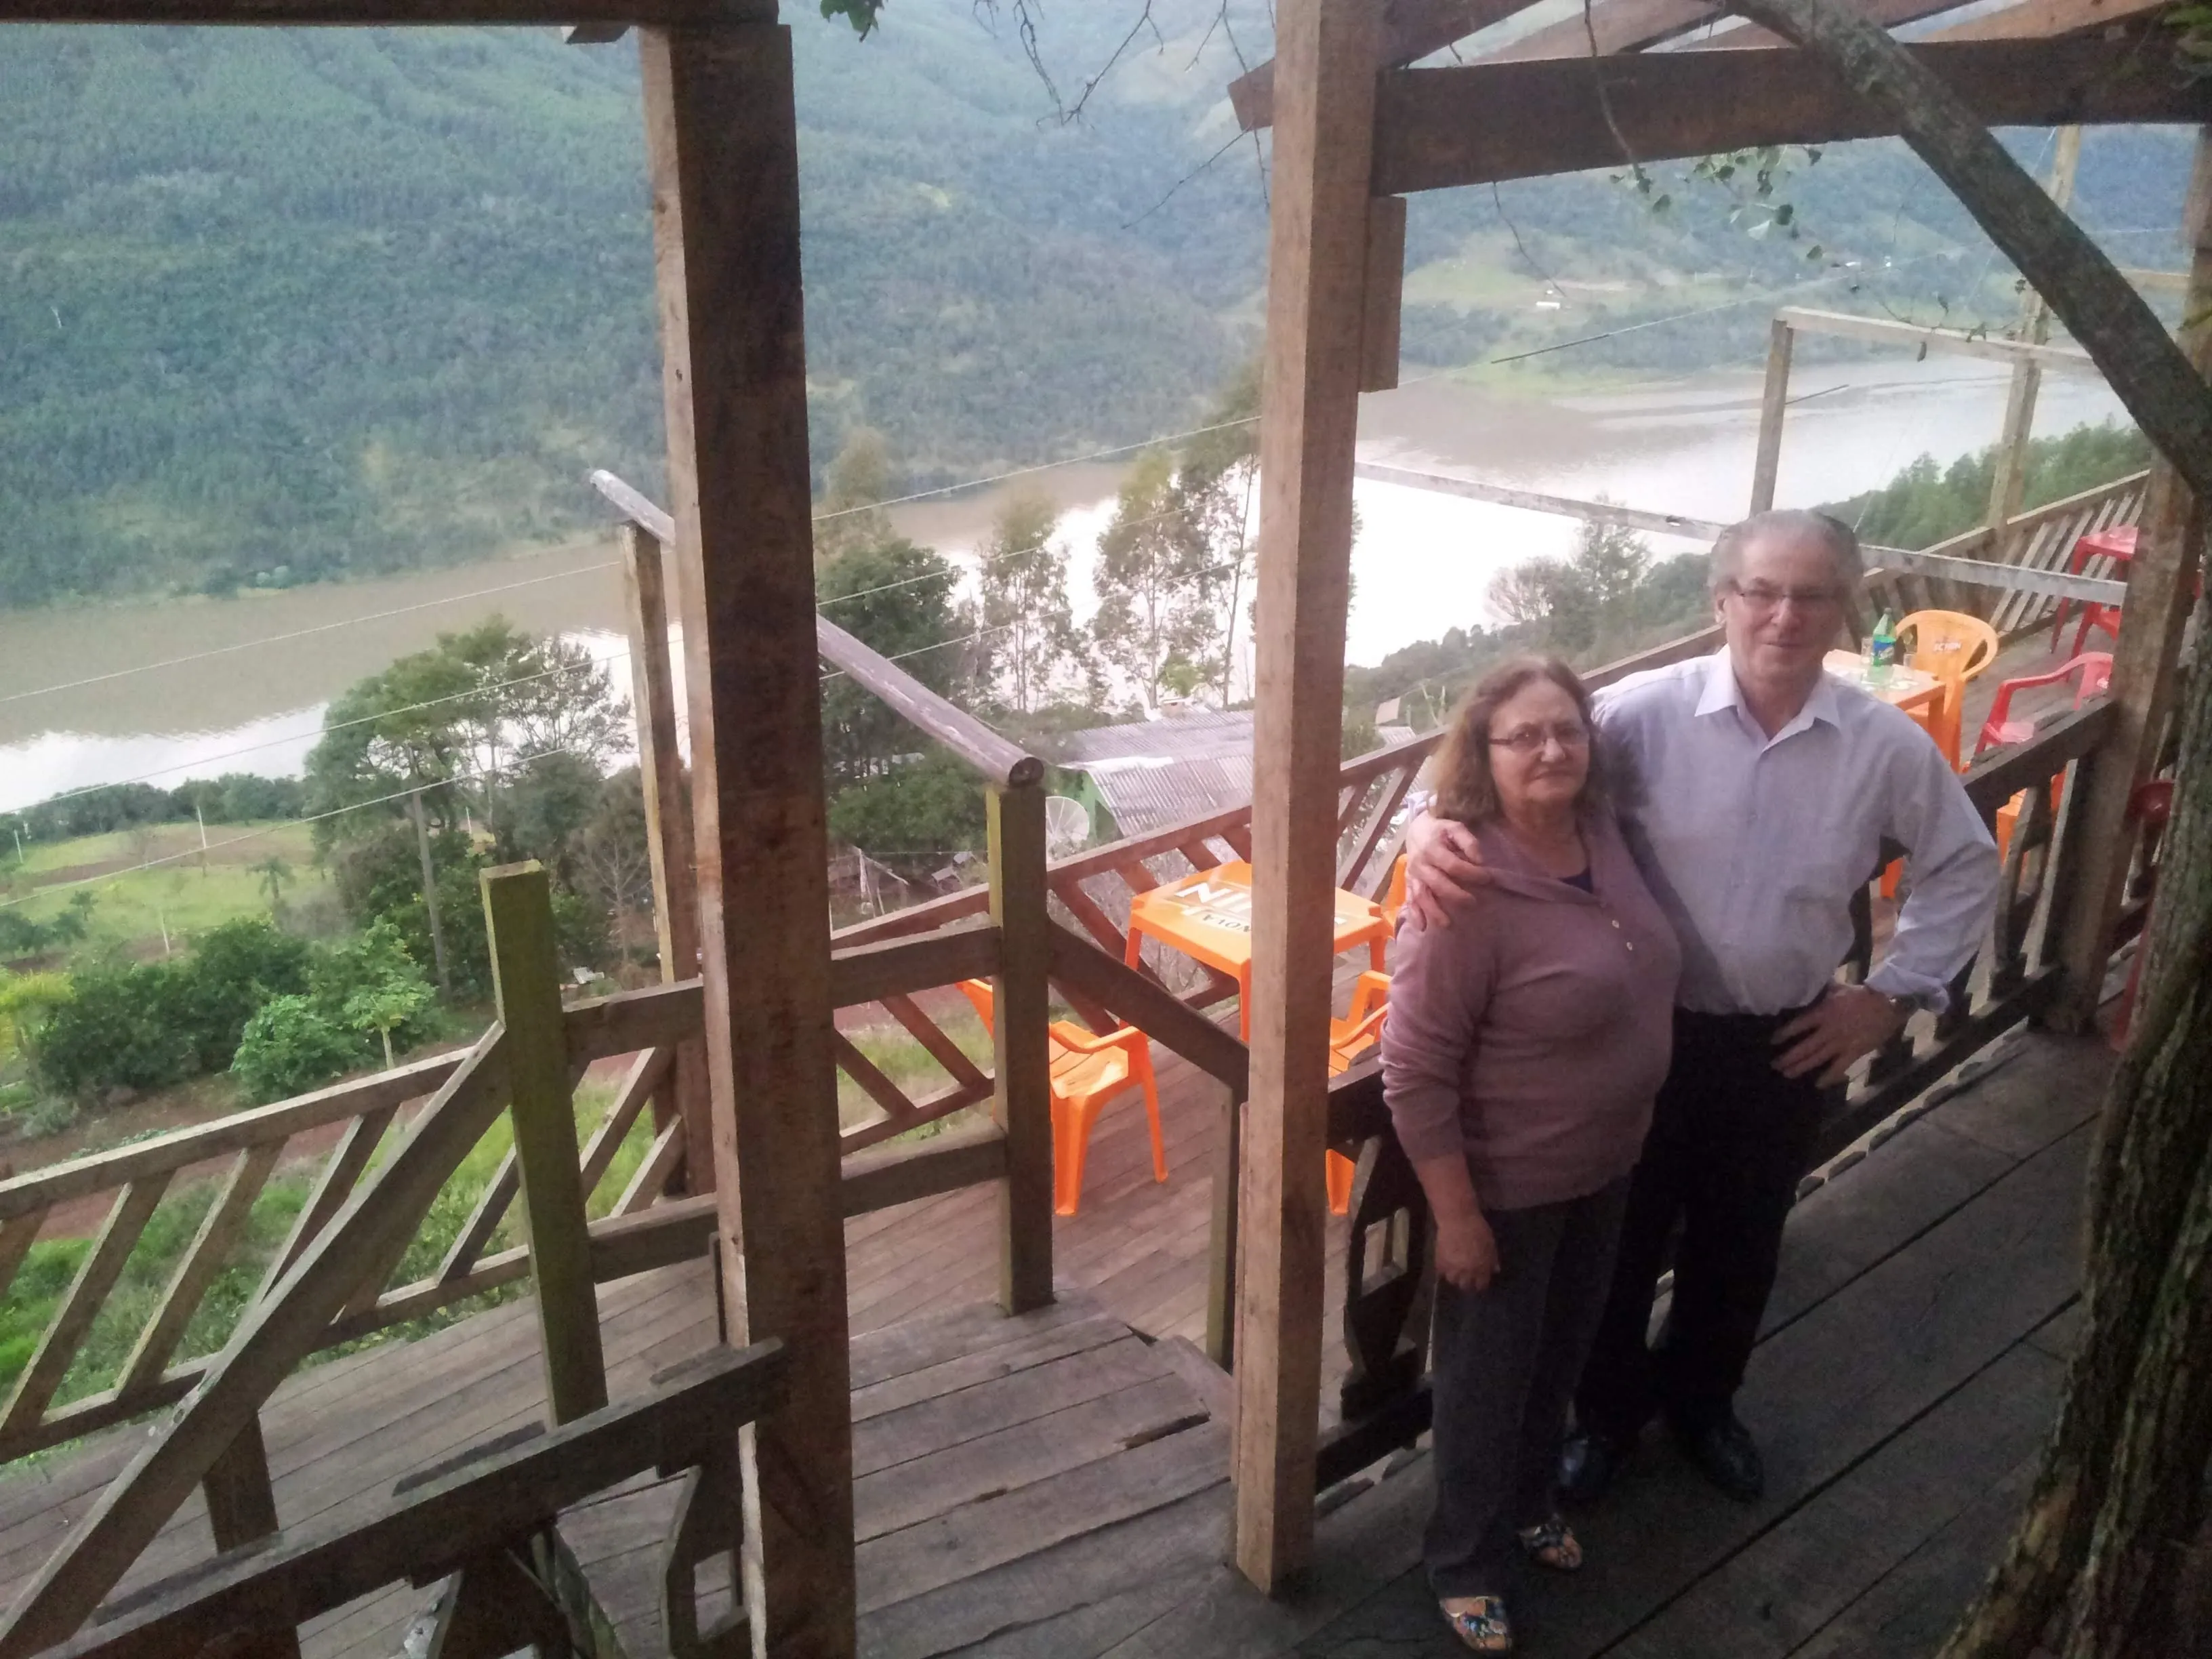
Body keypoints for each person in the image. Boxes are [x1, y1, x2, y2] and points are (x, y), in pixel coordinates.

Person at [1405, 510, 2000, 1508]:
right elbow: (1511, 763)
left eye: (1811, 594)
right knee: (1621, 1245)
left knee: (1742, 1238)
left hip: (1784, 1040)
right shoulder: (1645, 715)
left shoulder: (1882, 746)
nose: (1783, 614)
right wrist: (1422, 830)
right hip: (1641, 1040)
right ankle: (1604, 1422)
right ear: (1721, 600)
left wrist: (1892, 997)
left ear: (1843, 609)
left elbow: (1964, 862)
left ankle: (1704, 1407)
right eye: (1761, 590)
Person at [1383, 655, 1682, 1654]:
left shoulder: (1600, 831)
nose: (1552, 749)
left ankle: (1527, 1503)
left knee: (1559, 1357)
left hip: (1608, 1164)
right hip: (1507, 1189)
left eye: (1568, 729)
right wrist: (1457, 1217)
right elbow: (1415, 1071)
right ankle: (1461, 1559)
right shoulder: (1464, 883)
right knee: (1482, 1385)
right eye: (1524, 736)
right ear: (1485, 754)